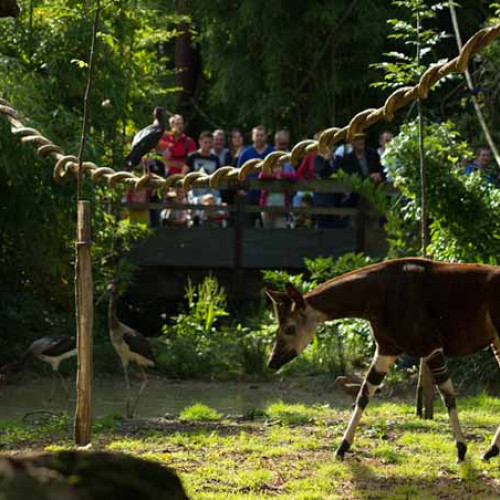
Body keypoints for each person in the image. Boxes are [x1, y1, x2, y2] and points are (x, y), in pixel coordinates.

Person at [237, 125, 274, 226]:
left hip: (268, 195)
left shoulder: (272, 152)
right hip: (249, 195)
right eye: (257, 135)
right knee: (248, 226)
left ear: (266, 137)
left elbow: (278, 171)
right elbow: (239, 172)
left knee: (266, 226)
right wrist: (241, 190)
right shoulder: (246, 153)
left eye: (262, 135)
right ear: (253, 137)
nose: (259, 138)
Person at [259, 161, 297, 229]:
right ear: (271, 168)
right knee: (268, 232)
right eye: (275, 167)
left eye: (279, 166)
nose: (278, 169)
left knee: (281, 230)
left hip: (281, 210)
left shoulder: (285, 177)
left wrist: (281, 175)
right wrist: (275, 176)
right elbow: (261, 176)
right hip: (267, 210)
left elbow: (294, 176)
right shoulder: (267, 176)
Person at [186, 131, 221, 201]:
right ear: (200, 142)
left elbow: (218, 176)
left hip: (211, 191)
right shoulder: (192, 157)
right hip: (195, 191)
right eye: (205, 142)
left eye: (210, 142)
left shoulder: (215, 159)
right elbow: (184, 173)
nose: (208, 145)